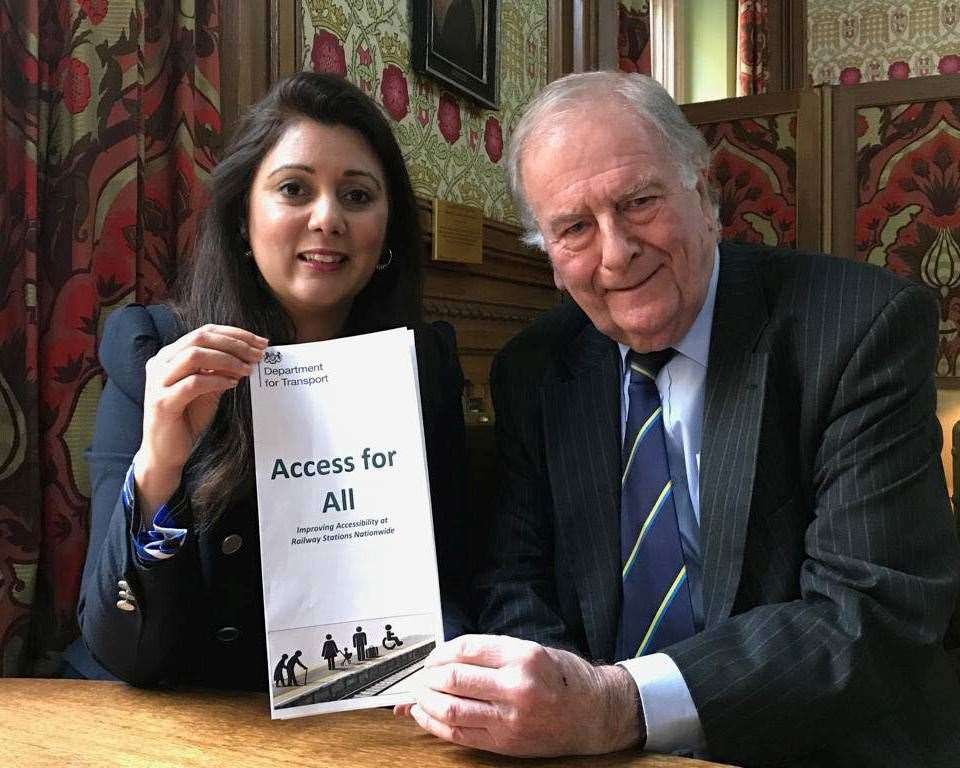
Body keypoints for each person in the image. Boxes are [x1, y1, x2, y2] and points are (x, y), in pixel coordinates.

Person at [397, 71, 960, 766]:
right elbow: (514, 580)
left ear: (704, 192)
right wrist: (550, 702)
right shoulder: (534, 369)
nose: (615, 252)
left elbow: (868, 616)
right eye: (574, 228)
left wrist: (616, 705)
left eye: (638, 202)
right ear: (547, 257)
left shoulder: (856, 330)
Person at [67, 72, 471, 690]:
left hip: (354, 704)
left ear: (387, 229)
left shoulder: (424, 366)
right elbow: (125, 650)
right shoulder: (156, 353)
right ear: (242, 219)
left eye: (358, 196)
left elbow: (451, 579)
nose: (328, 218)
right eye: (293, 189)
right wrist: (158, 473)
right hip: (172, 709)